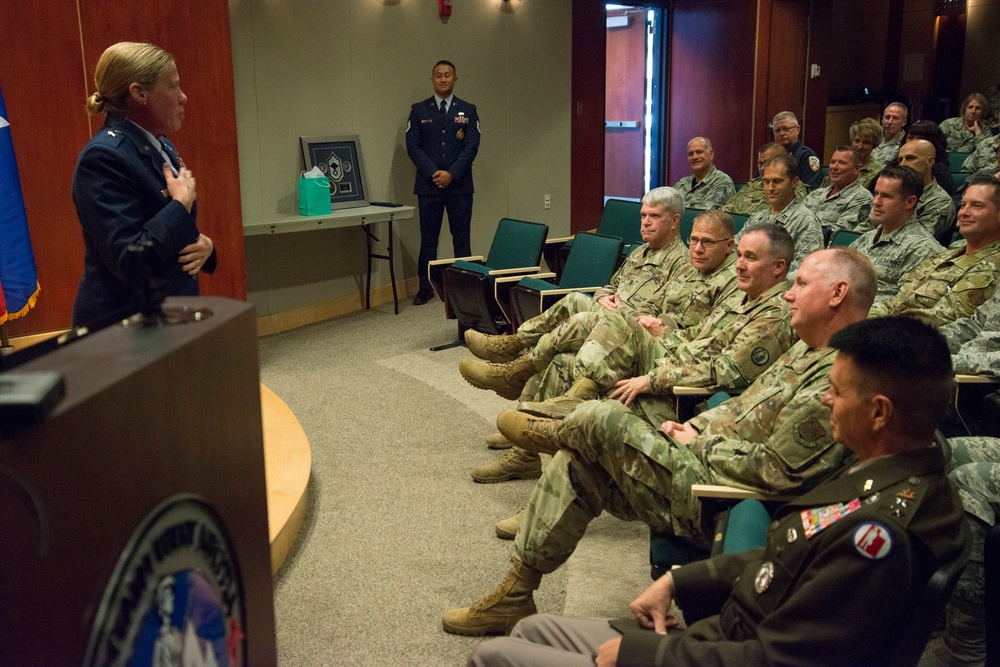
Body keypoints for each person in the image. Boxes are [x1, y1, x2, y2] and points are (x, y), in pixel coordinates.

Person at [465, 316, 967, 667]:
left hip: (722, 650)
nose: (825, 400)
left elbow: (776, 659)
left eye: (836, 392)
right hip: (722, 633)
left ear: (879, 412)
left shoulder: (878, 537)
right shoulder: (880, 475)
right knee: (531, 631)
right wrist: (681, 583)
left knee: (493, 657)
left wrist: (645, 655)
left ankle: (566, 427)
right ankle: (521, 584)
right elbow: (787, 555)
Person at [441, 248, 877, 637]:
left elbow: (777, 473)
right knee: (582, 458)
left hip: (719, 496)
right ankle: (515, 595)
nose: (788, 294)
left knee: (601, 418)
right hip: (704, 462)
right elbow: (742, 409)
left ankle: (561, 427)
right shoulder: (808, 349)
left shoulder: (845, 377)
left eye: (800, 284)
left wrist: (700, 444)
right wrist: (698, 429)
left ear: (838, 294)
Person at [463, 187, 694, 483]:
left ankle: (514, 358)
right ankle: (524, 450)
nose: (645, 222)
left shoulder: (683, 264)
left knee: (575, 305)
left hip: (628, 341)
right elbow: (610, 286)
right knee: (560, 356)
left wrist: (625, 313)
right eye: (643, 215)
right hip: (607, 326)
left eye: (654, 217)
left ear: (674, 221)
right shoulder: (639, 252)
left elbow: (663, 322)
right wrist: (603, 298)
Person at [506, 223, 794, 427]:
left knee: (614, 322)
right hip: (668, 349)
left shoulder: (772, 315)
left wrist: (652, 378)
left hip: (678, 377)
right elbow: (699, 334)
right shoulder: (745, 298)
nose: (740, 264)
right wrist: (661, 331)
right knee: (564, 360)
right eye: (741, 256)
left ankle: (520, 366)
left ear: (778, 267)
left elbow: (724, 372)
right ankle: (526, 449)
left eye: (750, 258)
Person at [71, 42, 216, 327]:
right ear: (139, 93)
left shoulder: (160, 145)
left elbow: (169, 228)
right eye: (173, 87)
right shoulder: (104, 157)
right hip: (123, 324)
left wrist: (205, 246)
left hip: (165, 315)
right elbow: (130, 260)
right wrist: (180, 204)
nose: (183, 97)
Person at [869, 173, 1000, 327]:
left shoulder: (992, 267)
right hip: (886, 327)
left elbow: (943, 318)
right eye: (963, 204)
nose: (964, 212)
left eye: (977, 206)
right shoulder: (944, 256)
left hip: (911, 337)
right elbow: (896, 303)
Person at [406, 60, 481, 305]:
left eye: (447, 75)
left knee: (461, 238)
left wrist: (451, 173)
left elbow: (471, 147)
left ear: (455, 79)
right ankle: (425, 287)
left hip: (459, 186)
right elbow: (413, 146)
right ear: (432, 79)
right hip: (429, 187)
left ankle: (465, 287)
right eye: (438, 75)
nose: (443, 79)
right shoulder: (419, 110)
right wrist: (433, 173)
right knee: (428, 239)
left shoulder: (468, 110)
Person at [850, 165, 944, 300]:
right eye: (876, 194)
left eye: (886, 196)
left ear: (910, 202)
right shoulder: (866, 239)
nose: (876, 202)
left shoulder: (921, 248)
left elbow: (904, 305)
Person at [736, 154, 823, 273]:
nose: (770, 188)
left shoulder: (805, 221)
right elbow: (735, 251)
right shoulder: (757, 218)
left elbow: (806, 271)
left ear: (794, 182)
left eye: (777, 181)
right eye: (766, 182)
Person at [801, 146, 873, 236]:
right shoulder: (816, 194)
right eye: (833, 162)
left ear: (857, 169)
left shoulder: (862, 198)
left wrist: (800, 228)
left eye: (842, 163)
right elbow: (795, 219)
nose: (834, 167)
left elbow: (841, 233)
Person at [721, 143, 808, 216]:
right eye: (760, 163)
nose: (762, 168)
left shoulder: (792, 187)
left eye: (767, 162)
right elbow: (727, 208)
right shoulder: (752, 184)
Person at [672, 137, 735, 209]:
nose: (694, 157)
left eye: (699, 152)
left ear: (711, 154)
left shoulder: (722, 181)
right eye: (690, 154)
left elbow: (702, 212)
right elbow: (665, 204)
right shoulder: (682, 183)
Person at [823, 118, 883, 189]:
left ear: (874, 145)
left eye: (866, 142)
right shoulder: (838, 167)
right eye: (857, 141)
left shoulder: (878, 173)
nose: (860, 146)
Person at [769, 111, 823, 189]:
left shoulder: (806, 157)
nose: (781, 133)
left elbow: (811, 191)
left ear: (797, 129)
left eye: (786, 129)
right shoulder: (769, 156)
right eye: (777, 130)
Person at [904, 120, 957, 195]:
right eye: (911, 137)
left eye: (921, 138)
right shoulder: (897, 162)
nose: (914, 142)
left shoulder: (940, 173)